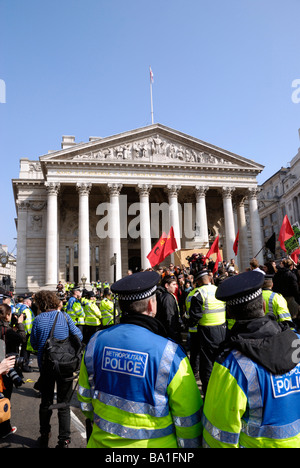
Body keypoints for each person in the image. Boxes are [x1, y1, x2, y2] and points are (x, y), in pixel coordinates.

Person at [77, 271, 203, 448]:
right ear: (152, 305)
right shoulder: (169, 352)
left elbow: (85, 398)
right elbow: (189, 418)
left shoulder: (95, 342)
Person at [202, 270, 300, 448]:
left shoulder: (230, 364)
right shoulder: (297, 342)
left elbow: (219, 432)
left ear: (229, 314)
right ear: (263, 305)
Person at [31, 290, 83, 448]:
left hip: (46, 366)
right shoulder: (65, 316)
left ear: (41, 303)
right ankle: (64, 441)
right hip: (65, 366)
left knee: (45, 403)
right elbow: (79, 336)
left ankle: (45, 435)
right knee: (64, 403)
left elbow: (33, 344)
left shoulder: (38, 319)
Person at [187, 269, 227, 396]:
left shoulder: (199, 293)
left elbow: (194, 317)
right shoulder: (218, 290)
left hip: (207, 332)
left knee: (207, 365)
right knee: (221, 362)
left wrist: (185, 320)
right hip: (223, 330)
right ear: (209, 279)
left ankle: (209, 394)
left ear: (198, 281)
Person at [0, 303, 26, 438]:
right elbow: (22, 339)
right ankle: (5, 429)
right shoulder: (7, 331)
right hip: (6, 368)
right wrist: (20, 324)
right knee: (5, 400)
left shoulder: (7, 330)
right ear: (7, 315)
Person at [156, 275, 184, 344]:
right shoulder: (167, 297)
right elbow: (169, 316)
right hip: (170, 334)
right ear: (167, 285)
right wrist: (174, 334)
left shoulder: (162, 295)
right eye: (173, 284)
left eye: (176, 284)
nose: (176, 286)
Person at [17, 296, 35, 371]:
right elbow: (24, 321)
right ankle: (25, 366)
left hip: (23, 331)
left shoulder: (21, 308)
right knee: (25, 350)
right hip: (27, 332)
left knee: (24, 350)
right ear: (27, 302)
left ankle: (22, 364)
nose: (31, 303)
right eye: (30, 301)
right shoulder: (26, 310)